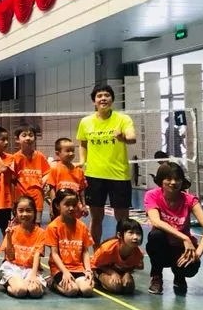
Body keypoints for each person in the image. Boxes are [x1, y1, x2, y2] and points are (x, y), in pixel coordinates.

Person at [144, 161, 203, 295]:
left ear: (182, 181)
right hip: (163, 246)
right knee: (155, 236)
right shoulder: (152, 195)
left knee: (191, 268)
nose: (173, 182)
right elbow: (156, 221)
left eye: (177, 179)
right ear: (161, 181)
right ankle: (156, 276)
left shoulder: (189, 200)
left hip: (181, 249)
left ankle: (179, 275)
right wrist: (184, 238)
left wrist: (197, 254)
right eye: (168, 179)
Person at [76, 83, 136, 243]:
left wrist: (123, 138)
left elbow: (132, 138)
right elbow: (83, 142)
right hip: (94, 175)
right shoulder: (86, 122)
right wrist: (82, 160)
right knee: (96, 217)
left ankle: (123, 250)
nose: (103, 98)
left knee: (122, 219)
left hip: (119, 176)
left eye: (107, 95)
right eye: (99, 96)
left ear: (112, 99)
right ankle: (96, 251)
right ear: (94, 101)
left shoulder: (123, 119)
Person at [46, 189, 94, 297]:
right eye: (67, 204)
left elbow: (85, 252)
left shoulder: (82, 226)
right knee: (72, 290)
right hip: (59, 269)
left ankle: (76, 281)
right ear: (57, 206)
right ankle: (53, 283)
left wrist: (88, 270)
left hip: (78, 268)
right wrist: (65, 272)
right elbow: (54, 254)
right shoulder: (53, 227)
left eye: (74, 205)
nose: (71, 208)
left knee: (87, 290)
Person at [0, 196, 46, 299]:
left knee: (35, 292)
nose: (24, 214)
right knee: (21, 291)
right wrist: (9, 237)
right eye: (21, 211)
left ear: (34, 212)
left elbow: (37, 255)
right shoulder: (12, 230)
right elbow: (10, 257)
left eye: (28, 210)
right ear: (16, 212)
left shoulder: (41, 232)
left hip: (31, 268)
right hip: (13, 267)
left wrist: (33, 275)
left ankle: (22, 284)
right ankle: (7, 285)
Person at [92, 219, 144, 295]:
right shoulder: (107, 249)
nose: (135, 237)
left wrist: (127, 273)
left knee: (129, 287)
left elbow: (133, 266)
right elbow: (95, 264)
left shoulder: (138, 253)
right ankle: (98, 279)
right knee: (116, 287)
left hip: (120, 271)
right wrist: (113, 273)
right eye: (131, 233)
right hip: (100, 269)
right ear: (119, 235)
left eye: (138, 233)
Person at [12, 124, 50, 223]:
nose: (28, 138)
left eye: (31, 135)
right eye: (24, 135)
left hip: (37, 196)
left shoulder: (40, 156)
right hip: (20, 197)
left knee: (37, 223)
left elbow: (48, 172)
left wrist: (44, 180)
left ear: (35, 138)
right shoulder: (14, 158)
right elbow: (11, 179)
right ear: (17, 139)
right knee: (20, 224)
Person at [44, 137, 88, 220]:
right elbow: (52, 189)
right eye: (67, 151)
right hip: (60, 209)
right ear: (58, 153)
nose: (71, 153)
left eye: (72, 150)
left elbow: (82, 191)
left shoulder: (79, 171)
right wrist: (52, 206)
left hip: (74, 208)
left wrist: (84, 206)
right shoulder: (55, 169)